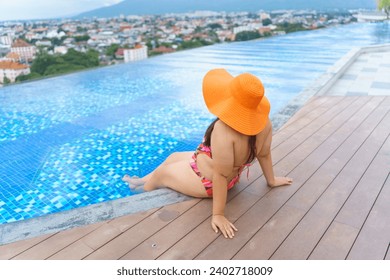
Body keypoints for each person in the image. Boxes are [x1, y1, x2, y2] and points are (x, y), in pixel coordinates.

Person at [123, 68, 292, 239]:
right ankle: (140, 181)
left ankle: (141, 192)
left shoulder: (224, 130)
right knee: (172, 157)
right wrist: (271, 180)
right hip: (211, 167)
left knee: (162, 173)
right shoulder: (264, 123)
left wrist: (218, 215)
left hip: (209, 181)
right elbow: (264, 154)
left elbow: (220, 174)